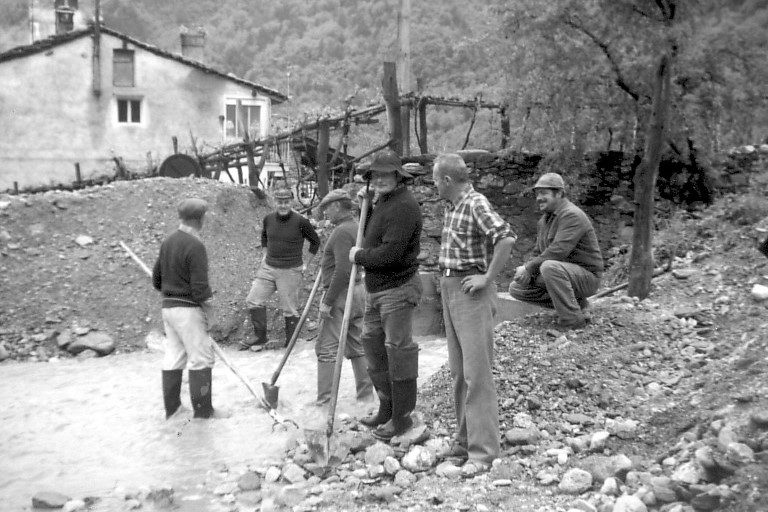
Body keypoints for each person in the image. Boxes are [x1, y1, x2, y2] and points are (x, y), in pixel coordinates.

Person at [432, 153, 517, 476]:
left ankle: (483, 452)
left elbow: (506, 238)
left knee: (477, 373)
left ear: (447, 181)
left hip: (471, 290)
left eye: (436, 180)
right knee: (458, 370)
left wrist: (488, 278)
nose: (434, 186)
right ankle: (464, 439)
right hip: (450, 287)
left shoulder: (475, 203)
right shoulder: (452, 206)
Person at [349, 150, 423, 441]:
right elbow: (370, 237)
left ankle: (402, 418)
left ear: (398, 176)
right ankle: (386, 409)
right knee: (374, 348)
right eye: (376, 175)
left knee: (398, 351)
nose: (380, 179)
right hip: (376, 290)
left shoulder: (404, 205)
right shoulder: (382, 202)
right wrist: (362, 210)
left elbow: (390, 253)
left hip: (398, 287)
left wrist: (360, 256)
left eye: (386, 174)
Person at [152, 198, 222, 419]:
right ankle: (204, 413)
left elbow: (156, 280)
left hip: (168, 309)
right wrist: (211, 313)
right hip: (188, 311)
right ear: (200, 219)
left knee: (173, 357)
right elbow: (200, 289)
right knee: (201, 360)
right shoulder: (195, 245)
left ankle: (173, 411)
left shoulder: (168, 242)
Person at [508, 172, 603, 329]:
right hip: (561, 275)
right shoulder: (544, 221)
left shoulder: (572, 215)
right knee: (516, 287)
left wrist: (529, 268)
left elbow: (558, 251)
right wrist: (525, 271)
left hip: (587, 278)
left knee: (549, 267)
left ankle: (572, 320)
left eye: (544, 193)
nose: (539, 198)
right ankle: (578, 305)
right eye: (537, 194)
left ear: (559, 193)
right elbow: (537, 252)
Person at [242, 187, 321, 350]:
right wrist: (264, 255)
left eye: (286, 202)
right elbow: (264, 236)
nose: (283, 205)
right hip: (268, 268)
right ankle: (260, 337)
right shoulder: (268, 219)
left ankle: (290, 344)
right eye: (280, 202)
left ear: (291, 202)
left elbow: (315, 242)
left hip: (290, 270)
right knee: (253, 299)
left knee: (289, 309)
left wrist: (306, 263)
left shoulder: (301, 222)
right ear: (274, 202)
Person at [314, 188, 373, 405]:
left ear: (337, 206)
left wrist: (327, 302)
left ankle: (325, 401)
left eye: (327, 208)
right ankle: (366, 397)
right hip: (359, 290)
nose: (326, 214)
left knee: (326, 348)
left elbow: (343, 270)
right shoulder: (355, 228)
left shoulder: (340, 232)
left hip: (341, 295)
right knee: (357, 344)